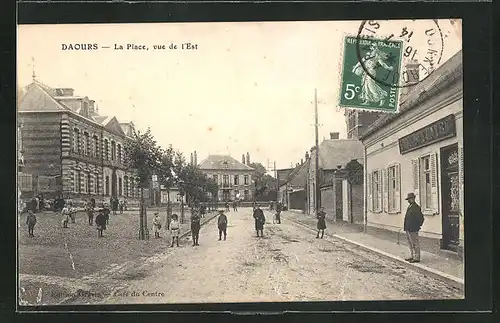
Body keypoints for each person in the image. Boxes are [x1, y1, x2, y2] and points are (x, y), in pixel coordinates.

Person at [403, 192, 425, 263]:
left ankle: (417, 257)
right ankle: (412, 255)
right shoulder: (410, 207)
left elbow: (421, 218)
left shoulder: (416, 207)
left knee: (415, 243)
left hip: (413, 228)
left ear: (413, 199)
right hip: (408, 228)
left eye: (410, 199)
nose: (409, 200)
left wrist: (417, 226)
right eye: (408, 199)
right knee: (410, 243)